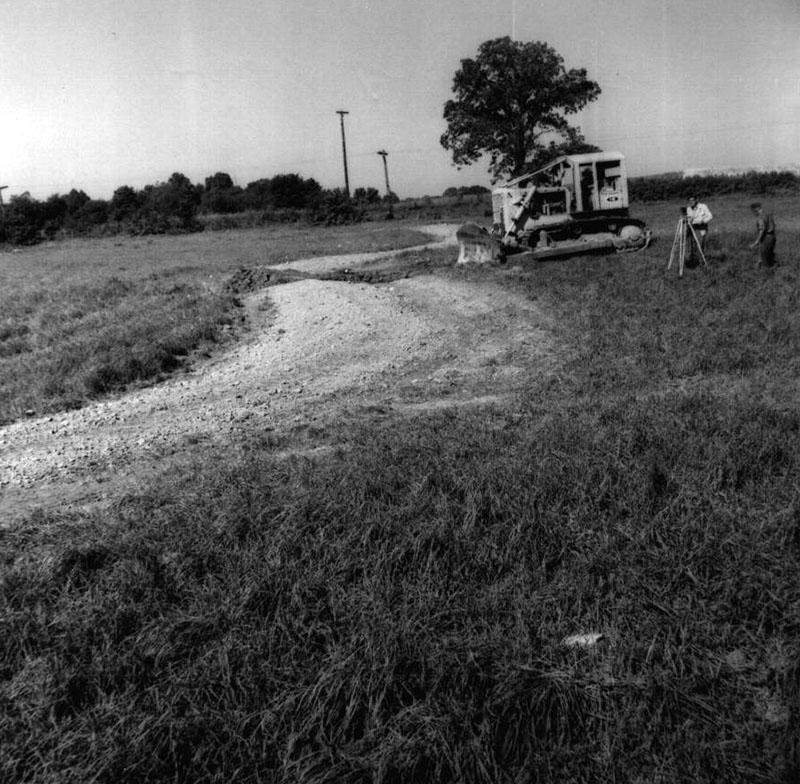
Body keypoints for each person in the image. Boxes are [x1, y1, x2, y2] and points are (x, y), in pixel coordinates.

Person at [685, 195, 713, 263]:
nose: (691, 202)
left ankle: (701, 262)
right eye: (689, 201)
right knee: (691, 246)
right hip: (691, 229)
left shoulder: (703, 206)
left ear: (696, 200)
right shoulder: (688, 208)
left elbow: (710, 216)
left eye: (693, 200)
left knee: (699, 246)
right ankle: (692, 262)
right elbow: (688, 218)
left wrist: (702, 221)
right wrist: (688, 220)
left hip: (701, 229)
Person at [750, 202, 776, 267]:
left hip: (766, 238)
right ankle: (773, 271)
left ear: (755, 209)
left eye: (753, 211)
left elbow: (762, 230)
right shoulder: (768, 214)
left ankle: (766, 273)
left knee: (764, 258)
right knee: (769, 257)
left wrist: (757, 241)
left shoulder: (760, 216)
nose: (753, 213)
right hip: (772, 237)